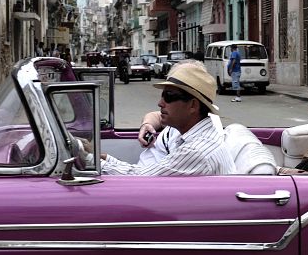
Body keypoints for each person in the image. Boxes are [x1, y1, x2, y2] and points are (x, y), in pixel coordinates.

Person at [92, 64, 233, 176]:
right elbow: (145, 172)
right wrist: (105, 159)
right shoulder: (189, 134)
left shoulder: (196, 151)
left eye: (169, 96)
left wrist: (91, 161)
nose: (160, 103)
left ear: (193, 105)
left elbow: (140, 178)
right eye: (162, 95)